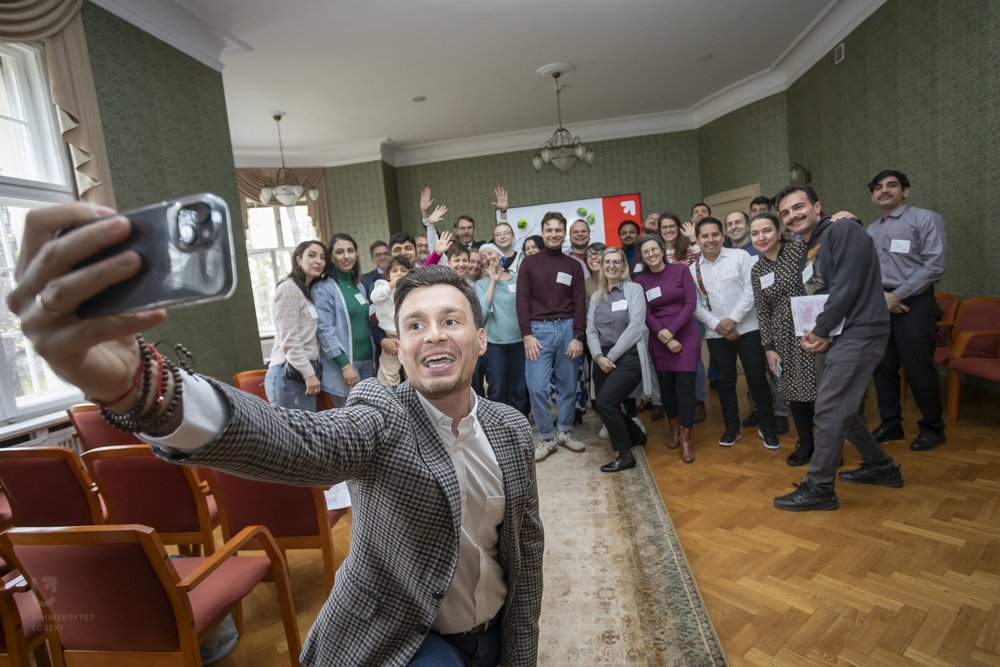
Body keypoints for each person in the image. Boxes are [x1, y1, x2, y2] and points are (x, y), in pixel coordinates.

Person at [7, 204, 545, 666]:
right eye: (414, 325)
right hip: (403, 638)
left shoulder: (511, 430)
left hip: (495, 634)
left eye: (450, 321)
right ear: (398, 348)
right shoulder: (382, 412)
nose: (433, 335)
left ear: (478, 338)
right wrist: (144, 388)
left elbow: (525, 550)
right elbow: (295, 440)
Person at [771, 185, 902, 511]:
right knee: (842, 410)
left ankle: (819, 487)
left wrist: (820, 329)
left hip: (859, 335)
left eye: (798, 207)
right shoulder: (811, 245)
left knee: (829, 410)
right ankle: (881, 467)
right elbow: (823, 293)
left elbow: (847, 287)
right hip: (835, 336)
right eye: (785, 213)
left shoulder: (843, 230)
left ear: (818, 206)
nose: (792, 216)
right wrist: (818, 331)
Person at [866, 169, 948, 451]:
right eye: (878, 187)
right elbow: (868, 271)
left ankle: (933, 428)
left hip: (915, 303)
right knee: (883, 366)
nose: (884, 190)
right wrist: (881, 298)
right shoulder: (871, 231)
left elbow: (935, 266)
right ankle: (891, 424)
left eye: (891, 185)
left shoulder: (925, 219)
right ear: (873, 195)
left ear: (906, 190)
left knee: (918, 368)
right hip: (881, 304)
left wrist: (896, 295)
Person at [691, 217, 780, 450]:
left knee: (758, 380)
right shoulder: (692, 270)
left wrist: (732, 321)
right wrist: (718, 325)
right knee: (725, 383)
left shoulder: (741, 257)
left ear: (722, 236)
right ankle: (732, 428)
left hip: (748, 330)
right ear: (698, 240)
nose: (710, 240)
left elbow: (752, 291)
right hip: (716, 335)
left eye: (715, 234)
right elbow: (695, 304)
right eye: (705, 236)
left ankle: (768, 427)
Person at [517, 212, 587, 461]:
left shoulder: (573, 266)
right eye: (550, 230)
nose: (554, 234)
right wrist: (526, 335)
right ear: (543, 232)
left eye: (559, 230)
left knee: (569, 386)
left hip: (568, 330)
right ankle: (547, 437)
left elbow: (580, 302)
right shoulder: (529, 263)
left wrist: (578, 336)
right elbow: (522, 301)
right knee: (537, 387)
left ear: (564, 233)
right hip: (538, 332)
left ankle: (565, 432)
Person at [749, 212, 817, 466]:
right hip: (782, 338)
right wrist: (768, 347)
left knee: (817, 392)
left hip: (811, 331)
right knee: (793, 392)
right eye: (755, 233)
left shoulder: (800, 252)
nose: (761, 237)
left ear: (778, 231)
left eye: (766, 230)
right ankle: (806, 443)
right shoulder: (757, 270)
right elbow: (762, 311)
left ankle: (826, 446)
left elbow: (820, 285)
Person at [633, 235, 699, 462]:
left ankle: (686, 438)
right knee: (668, 388)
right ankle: (673, 427)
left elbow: (691, 303)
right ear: (641, 256)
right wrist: (664, 336)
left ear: (662, 250)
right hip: (658, 338)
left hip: (686, 337)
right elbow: (646, 314)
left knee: (686, 388)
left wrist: (671, 331)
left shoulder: (680, 271)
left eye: (654, 249)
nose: (651, 254)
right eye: (646, 251)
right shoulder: (640, 281)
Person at [586, 247, 651, 472]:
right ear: (602, 266)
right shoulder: (596, 296)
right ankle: (636, 435)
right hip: (601, 356)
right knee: (600, 404)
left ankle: (624, 455)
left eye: (617, 262)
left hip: (628, 355)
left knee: (606, 402)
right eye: (608, 262)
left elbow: (635, 327)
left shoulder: (634, 289)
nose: (612, 266)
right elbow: (590, 331)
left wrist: (610, 357)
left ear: (623, 266)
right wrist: (598, 356)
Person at [313, 233, 375, 407]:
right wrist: (345, 366)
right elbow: (324, 331)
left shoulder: (359, 286)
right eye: (340, 252)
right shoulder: (323, 288)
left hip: (368, 363)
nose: (347, 256)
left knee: (369, 417)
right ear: (331, 257)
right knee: (351, 423)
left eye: (350, 251)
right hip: (345, 367)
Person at [265, 240, 327, 411]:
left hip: (301, 373)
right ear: (299, 260)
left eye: (322, 257)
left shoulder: (305, 291)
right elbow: (289, 339)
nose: (318, 261)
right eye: (312, 255)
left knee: (305, 434)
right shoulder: (288, 288)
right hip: (288, 374)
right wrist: (309, 374)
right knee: (295, 436)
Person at [660, 212, 706, 423]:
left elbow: (701, 256)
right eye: (664, 227)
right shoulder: (657, 252)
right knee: (670, 362)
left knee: (693, 361)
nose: (668, 230)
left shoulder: (686, 250)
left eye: (672, 226)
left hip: (690, 312)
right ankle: (677, 404)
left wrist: (692, 238)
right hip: (665, 318)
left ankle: (698, 401)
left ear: (678, 228)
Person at [476, 243, 529, 415]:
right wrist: (493, 281)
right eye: (483, 257)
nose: (487, 258)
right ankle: (499, 427)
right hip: (494, 345)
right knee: (497, 389)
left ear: (500, 256)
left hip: (520, 343)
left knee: (519, 389)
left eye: (490, 253)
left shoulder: (518, 280)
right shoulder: (481, 284)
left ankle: (519, 425)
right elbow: (482, 313)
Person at [370, 254, 413, 387]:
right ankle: (388, 400)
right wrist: (390, 285)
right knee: (388, 375)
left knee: (413, 372)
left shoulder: (412, 289)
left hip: (410, 338)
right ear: (388, 275)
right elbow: (374, 297)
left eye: (403, 270)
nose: (399, 273)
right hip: (391, 339)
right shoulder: (382, 285)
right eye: (395, 271)